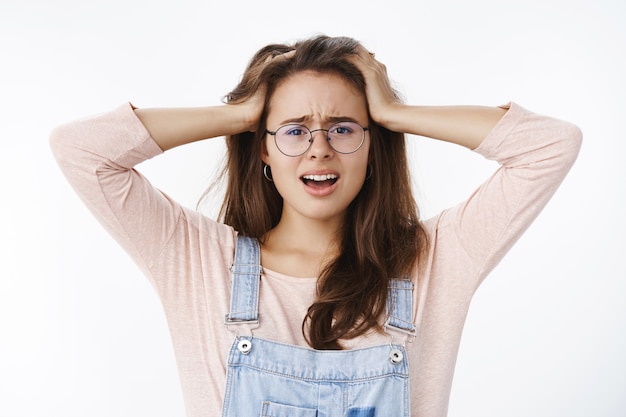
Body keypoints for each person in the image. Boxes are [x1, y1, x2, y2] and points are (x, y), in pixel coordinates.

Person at [50, 35, 582, 417]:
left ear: (374, 145)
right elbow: (82, 151)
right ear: (263, 146)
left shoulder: (435, 259)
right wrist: (240, 115)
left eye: (344, 128)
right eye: (295, 130)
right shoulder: (198, 259)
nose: (319, 148)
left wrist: (394, 111)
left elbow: (550, 146)